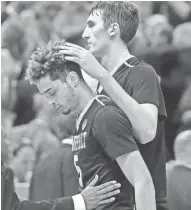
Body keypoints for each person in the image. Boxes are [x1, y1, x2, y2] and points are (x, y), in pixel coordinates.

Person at [56, 2, 167, 210]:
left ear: (113, 29)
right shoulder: (103, 83)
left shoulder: (141, 72)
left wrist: (102, 75)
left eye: (91, 24)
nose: (84, 33)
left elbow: (147, 131)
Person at [25, 41, 156, 210]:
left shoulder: (104, 116)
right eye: (45, 96)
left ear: (72, 79)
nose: (50, 102)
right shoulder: (82, 120)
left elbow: (142, 180)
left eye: (52, 92)